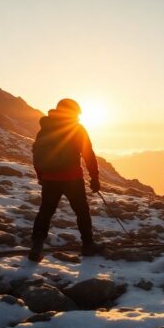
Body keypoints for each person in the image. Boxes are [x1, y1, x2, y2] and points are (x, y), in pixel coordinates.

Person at [29, 99, 103, 262]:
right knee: (82, 211)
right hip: (72, 179)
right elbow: (88, 154)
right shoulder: (77, 128)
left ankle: (36, 247)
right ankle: (88, 245)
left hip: (50, 179)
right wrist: (95, 178)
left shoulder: (45, 128)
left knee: (45, 212)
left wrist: (41, 176)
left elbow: (38, 155)